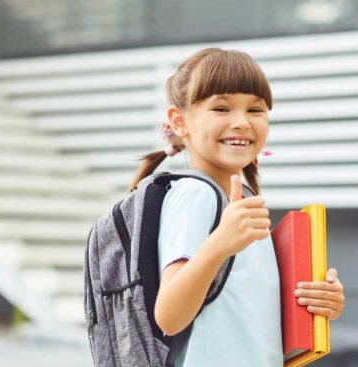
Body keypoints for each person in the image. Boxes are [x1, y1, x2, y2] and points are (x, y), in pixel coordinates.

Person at [127, 47, 345, 366]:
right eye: (221, 108)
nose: (241, 122)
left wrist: (321, 302)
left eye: (255, 110)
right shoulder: (194, 193)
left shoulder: (236, 199)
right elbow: (169, 317)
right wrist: (218, 245)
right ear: (179, 121)